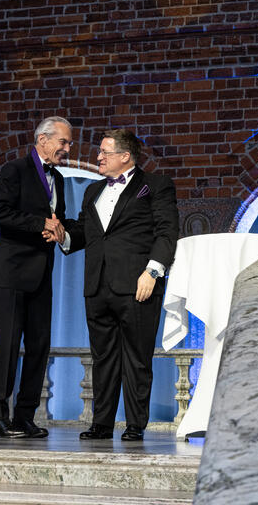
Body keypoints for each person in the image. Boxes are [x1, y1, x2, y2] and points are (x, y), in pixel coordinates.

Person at [48, 129, 179, 441]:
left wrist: (153, 272)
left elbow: (166, 231)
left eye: (105, 152)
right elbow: (87, 233)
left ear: (125, 156)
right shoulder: (93, 191)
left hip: (138, 285)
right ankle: (101, 424)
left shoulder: (155, 186)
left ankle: (135, 425)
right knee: (103, 358)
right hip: (97, 286)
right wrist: (63, 235)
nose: (98, 158)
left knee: (136, 357)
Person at [0, 116, 71, 437]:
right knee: (6, 345)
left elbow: (58, 220)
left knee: (39, 345)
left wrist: (58, 232)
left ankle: (24, 416)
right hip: (10, 270)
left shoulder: (58, 178)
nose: (67, 148)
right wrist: (39, 224)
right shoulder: (15, 170)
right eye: (63, 141)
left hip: (41, 271)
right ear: (43, 140)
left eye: (68, 142)